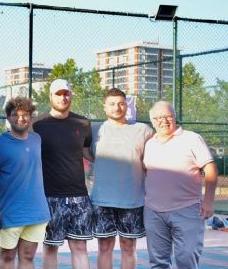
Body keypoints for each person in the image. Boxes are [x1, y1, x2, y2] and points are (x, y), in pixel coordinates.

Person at [143, 101, 217, 268]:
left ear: (175, 117)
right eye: (158, 117)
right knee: (158, 262)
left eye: (168, 116)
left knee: (186, 258)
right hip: (153, 211)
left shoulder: (192, 139)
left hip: (188, 209)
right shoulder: (149, 143)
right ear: (152, 120)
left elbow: (210, 169)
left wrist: (209, 201)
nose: (163, 121)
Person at [89, 88, 152, 269]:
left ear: (127, 105)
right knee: (104, 247)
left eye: (121, 103)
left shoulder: (143, 130)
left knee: (128, 247)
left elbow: (153, 158)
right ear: (104, 107)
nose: (117, 107)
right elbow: (86, 152)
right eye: (112, 104)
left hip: (132, 200)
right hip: (102, 200)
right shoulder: (95, 130)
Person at [32, 79, 92, 269]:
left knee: (80, 246)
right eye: (58, 94)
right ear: (50, 97)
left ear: (71, 95)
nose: (63, 97)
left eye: (66, 93)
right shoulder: (37, 125)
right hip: (50, 197)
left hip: (79, 197)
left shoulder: (83, 123)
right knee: (50, 247)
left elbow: (87, 153)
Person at [0, 97, 50, 269]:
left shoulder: (36, 139)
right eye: (15, 114)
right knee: (7, 257)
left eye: (25, 114)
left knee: (27, 257)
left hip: (37, 212)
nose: (20, 118)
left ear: (31, 117)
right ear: (8, 118)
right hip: (10, 213)